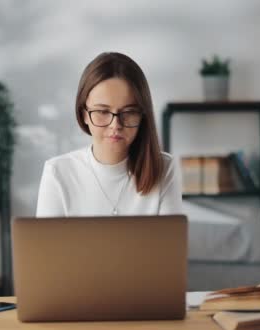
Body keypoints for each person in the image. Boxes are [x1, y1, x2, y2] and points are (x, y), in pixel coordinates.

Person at [36, 52, 182, 217]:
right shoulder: (57, 173)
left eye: (128, 112)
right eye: (102, 111)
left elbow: (171, 242)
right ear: (84, 113)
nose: (115, 125)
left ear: (142, 115)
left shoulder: (164, 169)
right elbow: (48, 243)